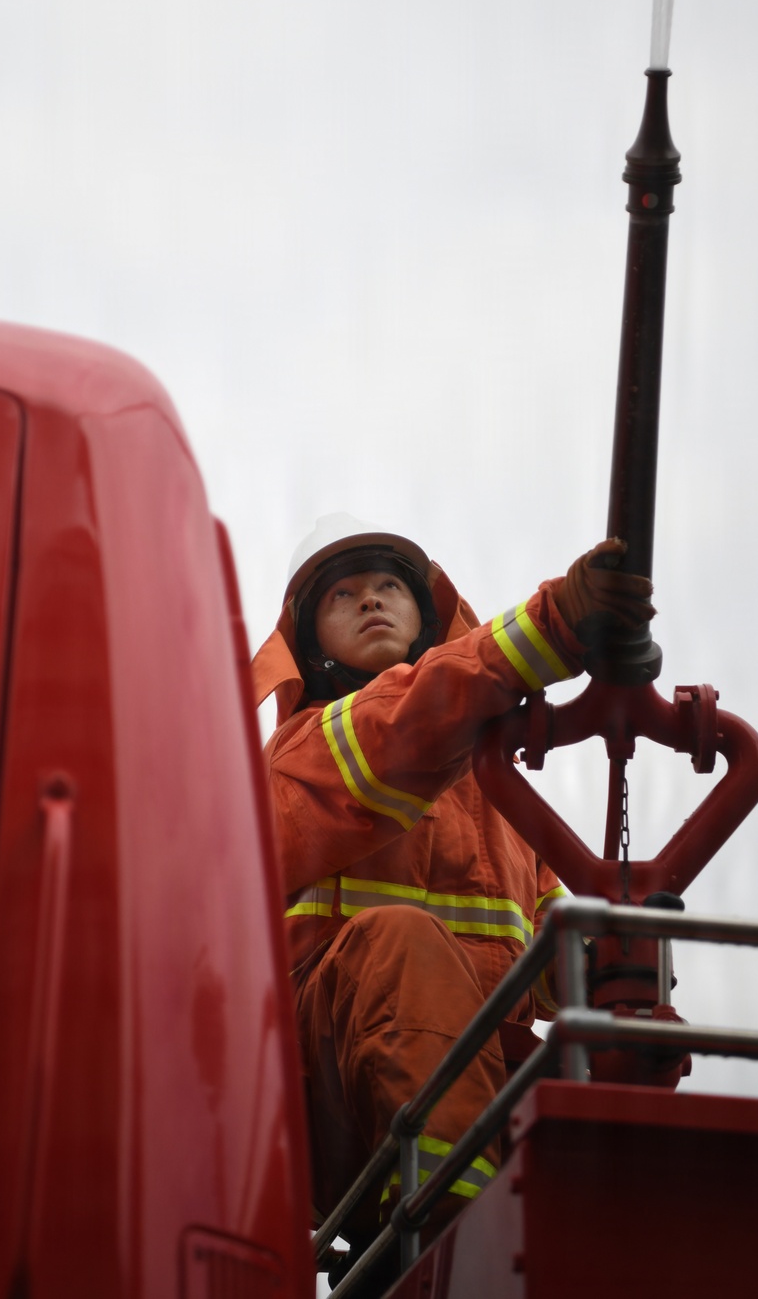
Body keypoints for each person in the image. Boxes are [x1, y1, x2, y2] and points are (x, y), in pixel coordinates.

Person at [251, 514, 653, 1249]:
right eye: (343, 596)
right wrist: (556, 623)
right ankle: (454, 1232)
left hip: (478, 1085)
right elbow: (404, 727)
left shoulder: (496, 797)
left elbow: (548, 962)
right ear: (309, 645)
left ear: (425, 615)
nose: (371, 600)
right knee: (401, 942)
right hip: (330, 1088)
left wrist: (617, 978)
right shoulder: (299, 759)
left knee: (606, 1058)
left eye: (389, 586)